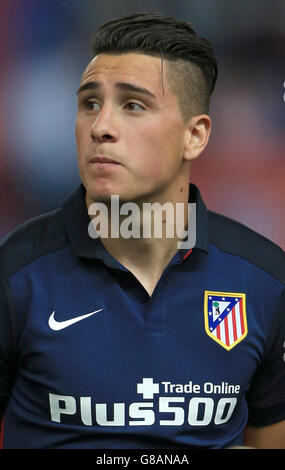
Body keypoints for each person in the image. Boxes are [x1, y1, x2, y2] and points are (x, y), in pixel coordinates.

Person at [0, 12, 284, 450]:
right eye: (89, 103)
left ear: (195, 136)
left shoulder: (266, 282)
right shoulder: (14, 275)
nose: (100, 128)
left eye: (133, 105)